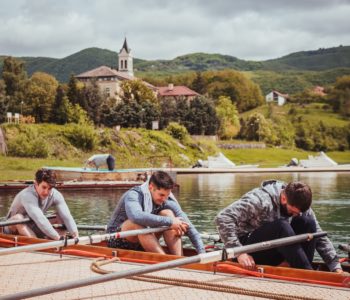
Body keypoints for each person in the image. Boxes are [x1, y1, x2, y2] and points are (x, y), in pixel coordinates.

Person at [215, 180, 345, 273]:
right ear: (283, 198)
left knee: (308, 222)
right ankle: (307, 272)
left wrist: (336, 266)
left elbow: (318, 235)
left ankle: (300, 268)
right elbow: (223, 218)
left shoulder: (301, 205)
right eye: (292, 211)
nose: (295, 214)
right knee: (281, 226)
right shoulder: (259, 200)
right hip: (248, 250)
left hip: (276, 247)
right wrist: (239, 252)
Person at [107, 170, 205, 255]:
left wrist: (202, 252)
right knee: (138, 222)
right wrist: (170, 222)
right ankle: (164, 260)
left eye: (167, 195)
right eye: (161, 195)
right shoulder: (134, 195)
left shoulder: (167, 200)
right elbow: (135, 216)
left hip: (143, 240)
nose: (164, 199)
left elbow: (190, 227)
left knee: (168, 213)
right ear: (151, 187)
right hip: (117, 240)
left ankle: (179, 259)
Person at [4, 169, 78, 240]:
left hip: (33, 225)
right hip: (11, 229)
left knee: (60, 216)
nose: (46, 192)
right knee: (18, 218)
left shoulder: (56, 195)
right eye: (44, 187)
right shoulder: (27, 195)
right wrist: (57, 237)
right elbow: (40, 219)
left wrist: (75, 235)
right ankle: (39, 244)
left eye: (50, 188)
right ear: (36, 184)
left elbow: (67, 217)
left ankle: (60, 245)